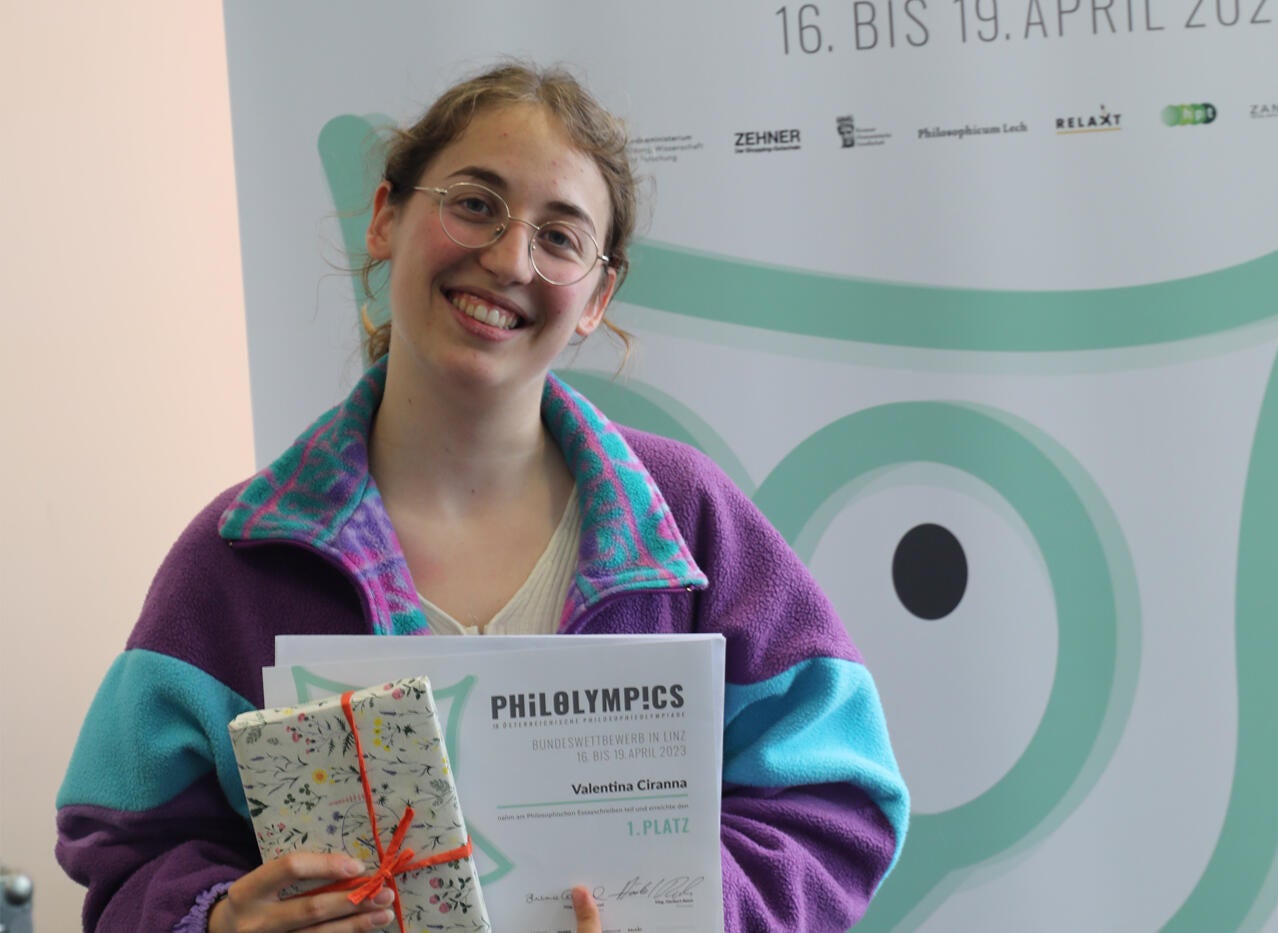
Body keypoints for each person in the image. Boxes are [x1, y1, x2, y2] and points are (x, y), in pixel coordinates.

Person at [56, 62, 909, 932]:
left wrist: (690, 912)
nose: (507, 260)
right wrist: (215, 922)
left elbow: (839, 802)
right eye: (474, 204)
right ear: (385, 218)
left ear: (597, 297)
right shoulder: (236, 556)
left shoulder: (690, 522)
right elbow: (123, 848)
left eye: (561, 237)